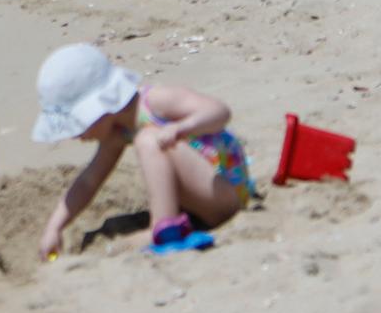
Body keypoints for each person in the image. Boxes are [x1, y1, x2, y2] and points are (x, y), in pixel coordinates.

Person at [30, 45, 252, 260]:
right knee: (147, 139)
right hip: (201, 205)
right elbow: (89, 181)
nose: (75, 136)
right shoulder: (117, 134)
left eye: (78, 124)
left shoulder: (156, 101)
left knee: (147, 139)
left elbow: (220, 112)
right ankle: (166, 224)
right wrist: (55, 227)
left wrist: (180, 128)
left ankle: (163, 226)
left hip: (226, 194)